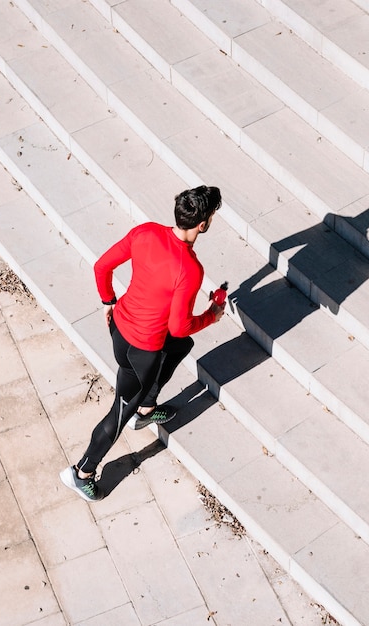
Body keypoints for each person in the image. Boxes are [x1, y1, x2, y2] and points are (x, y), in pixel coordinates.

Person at [60, 185, 226, 501]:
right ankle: (82, 473)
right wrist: (210, 316)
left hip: (119, 328)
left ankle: (146, 408)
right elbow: (179, 326)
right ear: (203, 224)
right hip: (142, 352)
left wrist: (109, 300)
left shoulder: (146, 232)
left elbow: (101, 266)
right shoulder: (189, 269)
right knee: (118, 415)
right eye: (213, 215)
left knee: (180, 348)